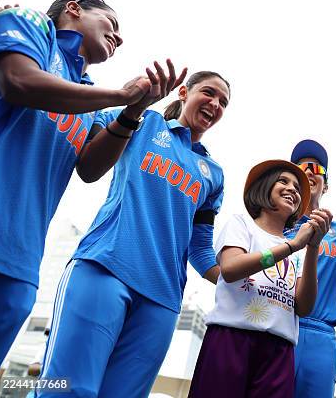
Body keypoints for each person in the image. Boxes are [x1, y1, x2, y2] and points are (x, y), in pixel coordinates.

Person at [0, 0, 185, 371]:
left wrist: (132, 112)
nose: (120, 38)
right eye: (112, 23)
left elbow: (89, 169)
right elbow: (18, 81)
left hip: (21, 261)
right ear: (74, 9)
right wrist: (118, 95)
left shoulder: (85, 90)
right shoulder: (32, 23)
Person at [37, 71, 229, 397]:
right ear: (183, 91)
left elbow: (200, 249)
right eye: (209, 93)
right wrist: (133, 108)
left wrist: (243, 278)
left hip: (162, 300)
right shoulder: (147, 122)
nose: (215, 104)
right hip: (104, 267)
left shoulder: (214, 175)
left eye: (223, 102)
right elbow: (89, 162)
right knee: (69, 390)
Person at [187, 159, 333, 398]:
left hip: (279, 350)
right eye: (283, 181)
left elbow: (304, 307)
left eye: (297, 187)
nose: (292, 189)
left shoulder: (299, 249)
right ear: (264, 187)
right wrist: (292, 246)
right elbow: (231, 268)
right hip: (231, 339)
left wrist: (313, 248)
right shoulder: (242, 224)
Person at [283, 140, 336, 397]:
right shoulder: (276, 225)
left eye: (316, 168)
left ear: (326, 184)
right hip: (280, 325)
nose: (309, 171)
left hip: (322, 336)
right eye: (301, 167)